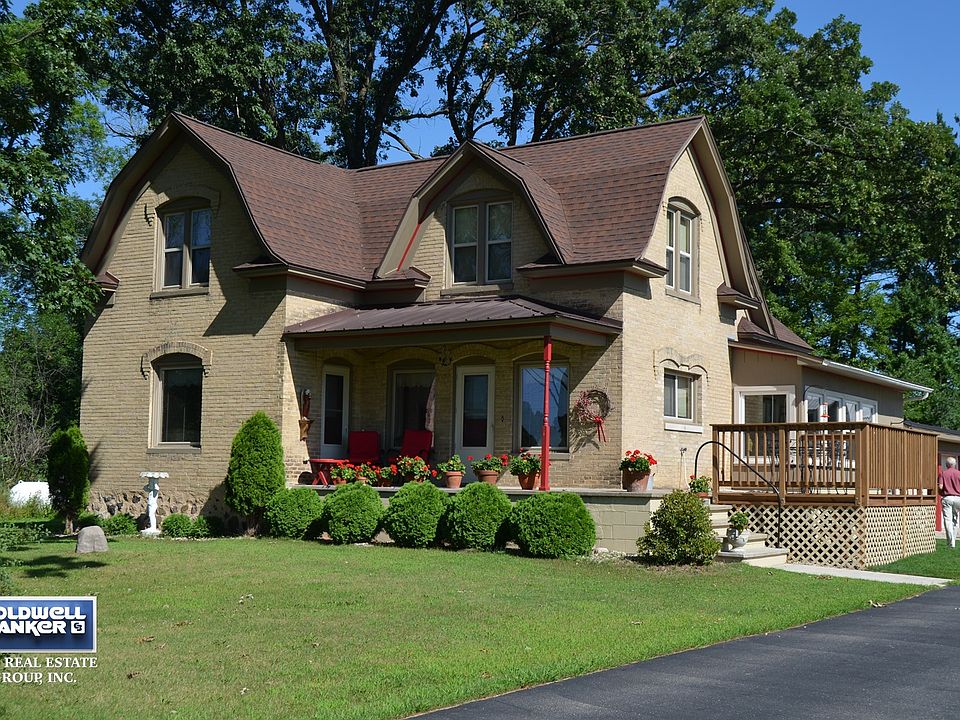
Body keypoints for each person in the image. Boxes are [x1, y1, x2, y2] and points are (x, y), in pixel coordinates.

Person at [938, 457, 960, 548]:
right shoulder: (959, 473)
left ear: (947, 465)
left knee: (948, 520)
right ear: (954, 464)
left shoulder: (943, 473)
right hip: (958, 498)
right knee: (955, 520)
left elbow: (940, 487)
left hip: (947, 498)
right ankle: (953, 541)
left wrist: (941, 493)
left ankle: (951, 543)